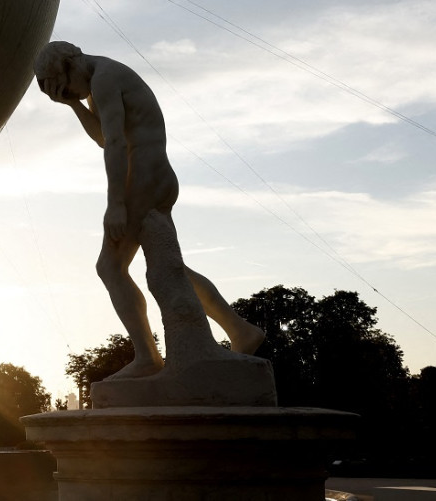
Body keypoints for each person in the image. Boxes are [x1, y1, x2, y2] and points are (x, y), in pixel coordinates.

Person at [34, 42, 265, 380]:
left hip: (143, 178)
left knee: (110, 267)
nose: (72, 93)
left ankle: (146, 356)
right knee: (169, 267)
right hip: (152, 176)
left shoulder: (105, 79)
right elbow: (102, 136)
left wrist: (115, 204)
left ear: (71, 64)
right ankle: (240, 330)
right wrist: (73, 105)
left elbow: (115, 144)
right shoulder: (100, 80)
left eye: (66, 87)